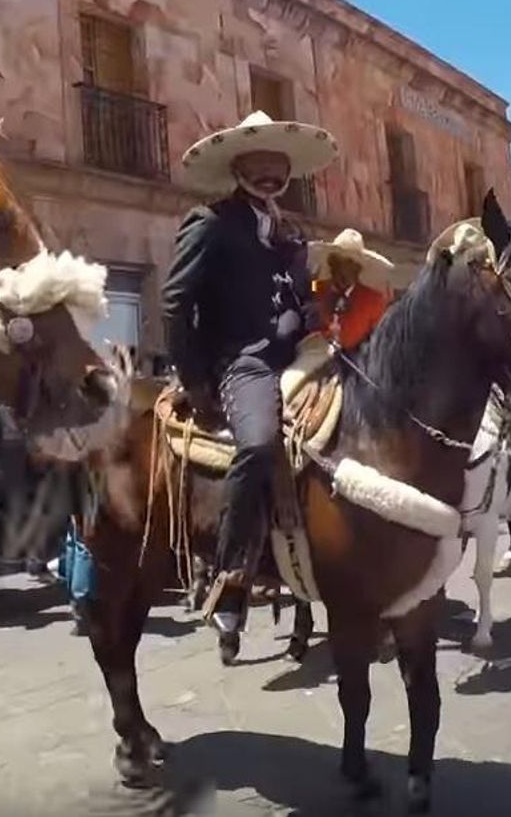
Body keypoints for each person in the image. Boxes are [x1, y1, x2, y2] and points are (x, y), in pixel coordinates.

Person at [161, 110, 339, 635]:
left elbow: (299, 298)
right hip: (244, 363)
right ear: (238, 168)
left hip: (302, 354)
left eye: (277, 167)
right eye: (259, 165)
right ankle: (231, 572)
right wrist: (195, 378)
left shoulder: (290, 234)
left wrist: (318, 315)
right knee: (259, 444)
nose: (269, 175)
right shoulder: (210, 222)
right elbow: (174, 302)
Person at [307, 228, 392, 352]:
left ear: (357, 269)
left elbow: (380, 338)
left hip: (355, 357)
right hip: (320, 351)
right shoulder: (321, 287)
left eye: (347, 264)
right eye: (336, 263)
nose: (340, 269)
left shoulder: (373, 300)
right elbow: (312, 291)